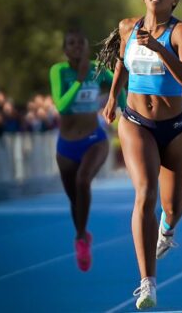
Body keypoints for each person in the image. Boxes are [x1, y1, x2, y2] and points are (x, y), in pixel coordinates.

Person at [102, 0, 182, 310]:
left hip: (173, 127)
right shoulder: (128, 26)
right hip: (135, 121)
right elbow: (122, 62)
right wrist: (114, 96)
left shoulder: (181, 32)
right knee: (146, 192)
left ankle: (167, 231)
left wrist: (159, 47)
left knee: (174, 205)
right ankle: (148, 284)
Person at [49, 29, 126, 272]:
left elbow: (118, 82)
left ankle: (81, 240)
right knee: (75, 199)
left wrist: (124, 108)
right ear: (65, 49)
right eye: (71, 44)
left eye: (81, 43)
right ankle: (82, 234)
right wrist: (80, 80)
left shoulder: (97, 68)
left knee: (83, 182)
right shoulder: (59, 71)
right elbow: (61, 105)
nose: (77, 48)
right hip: (66, 145)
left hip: (94, 139)